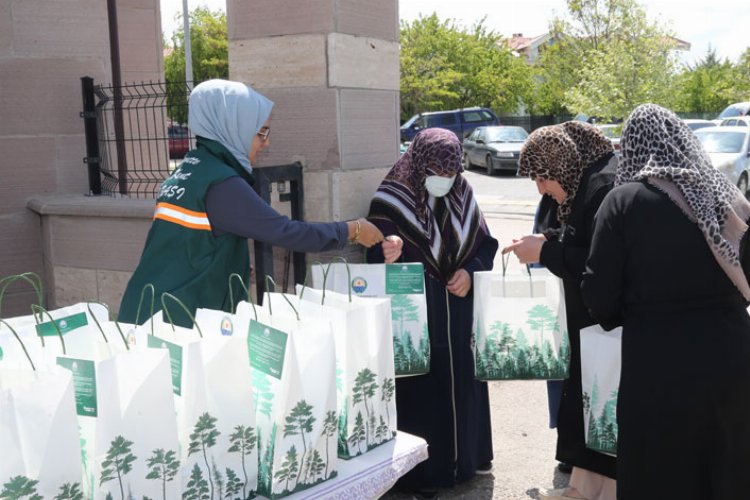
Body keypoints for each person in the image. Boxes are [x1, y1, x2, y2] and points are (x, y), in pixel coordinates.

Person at [582, 104, 750, 500]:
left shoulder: (623, 201)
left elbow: (599, 296)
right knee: (728, 466)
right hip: (733, 357)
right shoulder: (727, 198)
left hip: (659, 361)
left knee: (660, 471)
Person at [118, 79, 383, 326]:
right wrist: (352, 230)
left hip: (148, 308)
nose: (266, 143)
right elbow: (288, 232)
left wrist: (232, 262)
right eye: (261, 132)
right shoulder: (222, 183)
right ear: (231, 126)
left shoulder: (188, 170)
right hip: (176, 320)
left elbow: (188, 243)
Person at [366, 128, 499, 497]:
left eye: (450, 172)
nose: (443, 180)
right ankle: (425, 471)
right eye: (436, 172)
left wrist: (469, 273)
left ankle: (468, 457)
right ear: (420, 163)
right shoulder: (390, 199)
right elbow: (373, 254)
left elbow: (485, 245)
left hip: (458, 311)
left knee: (464, 382)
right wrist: (384, 250)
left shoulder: (463, 190)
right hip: (417, 315)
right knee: (425, 389)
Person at [502, 121, 617, 500]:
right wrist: (545, 241)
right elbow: (577, 238)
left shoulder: (602, 187)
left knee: (600, 405)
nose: (540, 189)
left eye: (542, 177)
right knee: (586, 405)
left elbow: (598, 260)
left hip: (603, 324)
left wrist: (545, 252)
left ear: (564, 164)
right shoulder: (587, 182)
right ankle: (584, 489)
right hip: (588, 322)